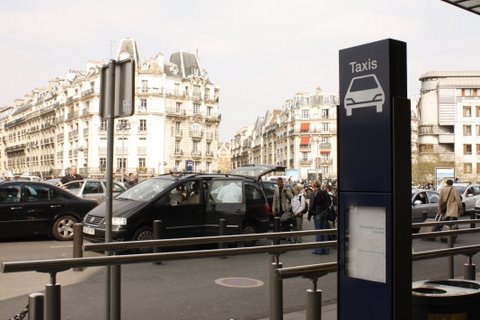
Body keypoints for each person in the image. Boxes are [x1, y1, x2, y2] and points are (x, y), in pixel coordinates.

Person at [307, 180, 331, 255]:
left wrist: (309, 215)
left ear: (314, 186)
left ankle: (319, 250)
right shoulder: (324, 192)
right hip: (324, 214)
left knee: (318, 232)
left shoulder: (314, 193)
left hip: (317, 214)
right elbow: (329, 203)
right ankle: (326, 249)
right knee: (325, 231)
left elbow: (311, 205)